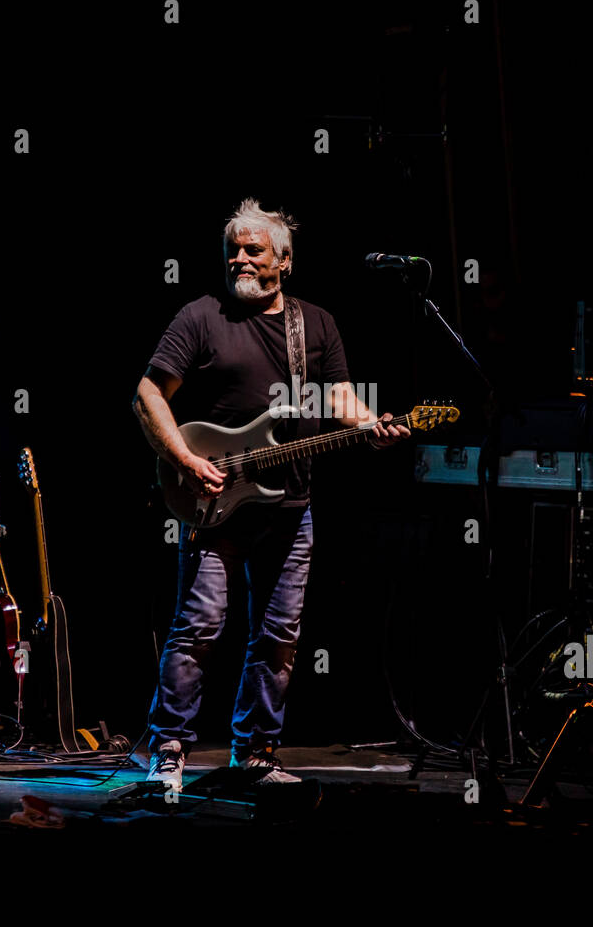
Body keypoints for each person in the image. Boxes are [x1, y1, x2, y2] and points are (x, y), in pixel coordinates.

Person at [132, 198, 410, 790]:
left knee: (279, 635)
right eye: (232, 249)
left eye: (253, 249)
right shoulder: (200, 317)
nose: (239, 258)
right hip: (217, 500)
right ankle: (169, 750)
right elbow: (148, 395)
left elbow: (336, 400)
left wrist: (370, 427)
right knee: (201, 625)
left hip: (291, 507)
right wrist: (183, 458)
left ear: (283, 261)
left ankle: (256, 752)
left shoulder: (316, 323)